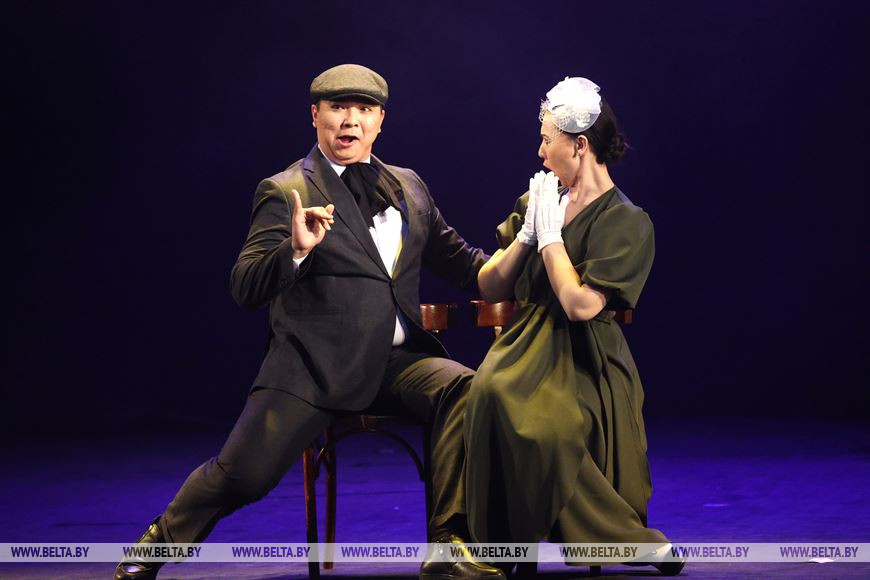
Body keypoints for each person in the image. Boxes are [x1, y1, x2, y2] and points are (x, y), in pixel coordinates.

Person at [115, 64, 504, 580]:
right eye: (338, 108)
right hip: (312, 370)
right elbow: (245, 286)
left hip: (397, 364)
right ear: (315, 115)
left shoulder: (409, 186)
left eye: (364, 109)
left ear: (381, 120)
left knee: (465, 388)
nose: (350, 120)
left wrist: (530, 265)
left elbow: (463, 262)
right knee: (243, 476)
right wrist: (294, 251)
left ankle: (449, 545)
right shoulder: (286, 189)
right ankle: (159, 542)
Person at [464, 77, 684, 575]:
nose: (540, 152)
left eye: (547, 140)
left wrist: (551, 240)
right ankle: (507, 547)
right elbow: (490, 285)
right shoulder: (539, 203)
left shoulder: (627, 221)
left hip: (587, 355)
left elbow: (580, 305)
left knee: (551, 426)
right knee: (491, 391)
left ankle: (622, 539)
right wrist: (526, 235)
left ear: (580, 145)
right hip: (525, 346)